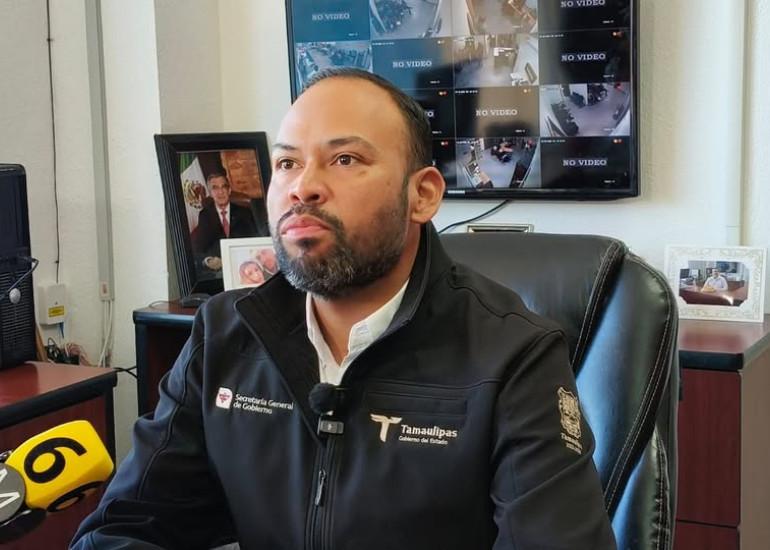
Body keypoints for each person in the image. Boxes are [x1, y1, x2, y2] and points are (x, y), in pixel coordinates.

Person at [72, 68, 615, 549]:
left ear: (423, 195)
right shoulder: (223, 333)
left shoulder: (514, 355)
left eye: (345, 159)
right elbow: (125, 526)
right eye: (287, 163)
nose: (303, 187)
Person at [190, 172, 258, 270]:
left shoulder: (245, 213)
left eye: (223, 187)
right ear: (210, 193)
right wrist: (209, 260)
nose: (220, 192)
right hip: (218, 268)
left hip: (244, 264)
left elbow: (255, 241)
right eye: (215, 188)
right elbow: (199, 249)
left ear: (229, 190)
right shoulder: (205, 215)